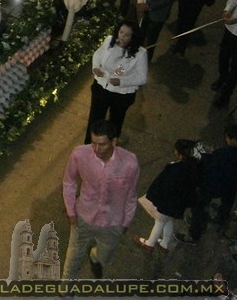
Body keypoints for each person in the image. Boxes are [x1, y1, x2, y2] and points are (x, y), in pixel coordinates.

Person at [62, 120, 139, 280]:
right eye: (93, 143)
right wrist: (71, 211)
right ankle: (65, 289)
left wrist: (126, 222)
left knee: (105, 257)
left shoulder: (130, 163)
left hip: (113, 222)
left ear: (114, 141)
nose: (96, 149)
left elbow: (131, 195)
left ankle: (94, 256)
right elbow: (69, 182)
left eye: (102, 144)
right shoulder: (79, 154)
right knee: (74, 255)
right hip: (83, 216)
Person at [131, 139, 201, 252]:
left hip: (168, 202)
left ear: (179, 153)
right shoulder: (193, 168)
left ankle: (149, 244)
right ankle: (164, 243)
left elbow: (163, 184)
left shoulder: (174, 168)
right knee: (168, 221)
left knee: (159, 222)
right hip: (178, 204)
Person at [86, 20, 148, 143]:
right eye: (121, 32)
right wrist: (96, 67)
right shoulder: (110, 40)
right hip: (101, 88)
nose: (122, 37)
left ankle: (110, 149)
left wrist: (121, 82)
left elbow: (142, 77)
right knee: (94, 119)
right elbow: (98, 54)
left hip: (121, 95)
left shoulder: (140, 53)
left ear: (133, 37)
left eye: (127, 35)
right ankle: (89, 147)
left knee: (115, 123)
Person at [175, 125, 237, 245]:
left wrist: (206, 155)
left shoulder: (225, 152)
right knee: (228, 198)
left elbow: (211, 166)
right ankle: (222, 217)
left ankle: (195, 234)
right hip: (231, 184)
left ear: (232, 139)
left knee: (199, 207)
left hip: (214, 185)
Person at [211, 0, 237, 107]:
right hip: (231, 29)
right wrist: (227, 10)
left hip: (234, 25)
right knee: (224, 56)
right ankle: (222, 77)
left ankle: (226, 94)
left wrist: (235, 20)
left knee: (236, 67)